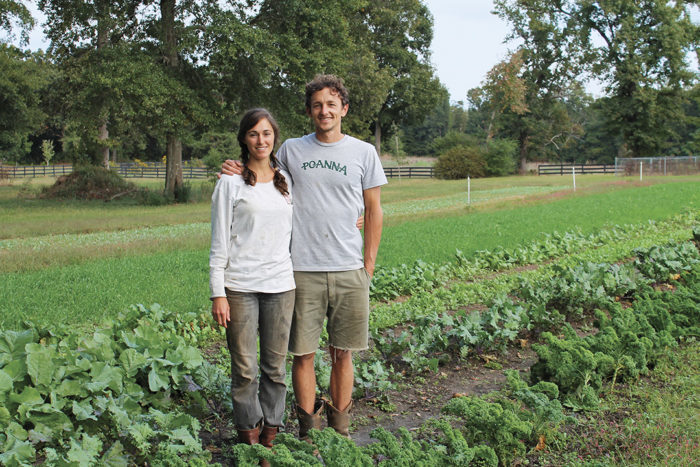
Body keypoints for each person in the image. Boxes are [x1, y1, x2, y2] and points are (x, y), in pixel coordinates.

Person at [222, 74, 387, 439]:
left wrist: (369, 264)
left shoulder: (364, 153)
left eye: (331, 104)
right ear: (309, 112)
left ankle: (339, 433)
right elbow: (260, 163)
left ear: (343, 108)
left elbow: (374, 210)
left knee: (343, 353)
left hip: (349, 269)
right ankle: (308, 435)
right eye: (317, 105)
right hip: (302, 271)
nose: (324, 111)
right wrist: (235, 167)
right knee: (303, 355)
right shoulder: (293, 150)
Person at [209, 108, 295, 448]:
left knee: (275, 369)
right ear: (244, 139)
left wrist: (351, 221)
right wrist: (218, 292)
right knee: (245, 370)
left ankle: (270, 438)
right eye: (254, 134)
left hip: (281, 286)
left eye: (267, 133)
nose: (262, 140)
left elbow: (313, 214)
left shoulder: (286, 180)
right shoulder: (230, 183)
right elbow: (218, 241)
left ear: (275, 137)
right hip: (240, 287)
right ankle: (249, 439)